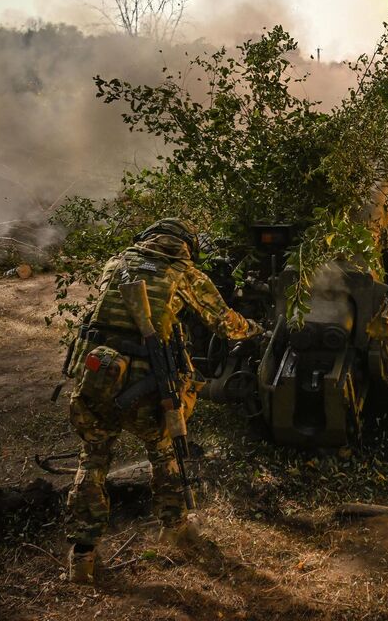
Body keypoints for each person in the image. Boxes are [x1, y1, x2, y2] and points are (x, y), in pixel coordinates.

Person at [62, 218, 261, 584]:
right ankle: (174, 528)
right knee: (164, 451)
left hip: (98, 377)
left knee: (93, 458)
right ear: (185, 246)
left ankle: (83, 554)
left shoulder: (117, 262)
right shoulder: (183, 273)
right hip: (146, 383)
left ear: (147, 238)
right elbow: (225, 324)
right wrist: (255, 328)